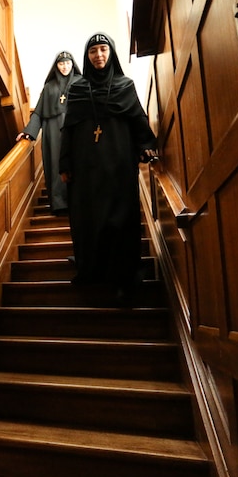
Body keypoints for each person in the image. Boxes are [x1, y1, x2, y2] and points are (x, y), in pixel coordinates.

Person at [59, 32, 158, 302]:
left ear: (111, 53)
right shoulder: (77, 89)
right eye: (93, 51)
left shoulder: (125, 85)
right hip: (85, 170)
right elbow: (67, 129)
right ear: (87, 57)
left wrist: (146, 144)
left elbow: (137, 118)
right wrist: (64, 162)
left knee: (121, 222)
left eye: (103, 50)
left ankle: (123, 279)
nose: (98, 56)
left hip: (119, 167)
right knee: (88, 220)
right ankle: (91, 271)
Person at [17, 51, 82, 215]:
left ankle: (80, 202)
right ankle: (59, 204)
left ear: (72, 64)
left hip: (76, 129)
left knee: (78, 162)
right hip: (52, 130)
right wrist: (29, 132)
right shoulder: (49, 87)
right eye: (61, 64)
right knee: (54, 164)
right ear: (56, 66)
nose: (65, 67)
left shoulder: (81, 82)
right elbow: (38, 112)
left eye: (67, 63)